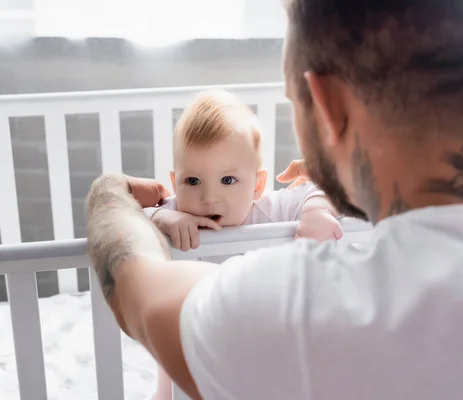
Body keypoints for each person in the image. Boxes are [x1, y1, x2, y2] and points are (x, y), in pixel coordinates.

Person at [85, 0, 463, 399]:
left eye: (294, 102)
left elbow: (137, 294)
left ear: (328, 106)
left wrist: (107, 192)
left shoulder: (282, 309)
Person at [145, 89, 342, 399]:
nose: (209, 197)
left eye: (228, 180)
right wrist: (161, 220)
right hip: (195, 338)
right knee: (169, 345)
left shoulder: (269, 210)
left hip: (259, 337)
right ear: (175, 182)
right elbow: (133, 221)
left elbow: (320, 188)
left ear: (258, 185)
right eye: (193, 181)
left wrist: (317, 209)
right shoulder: (176, 213)